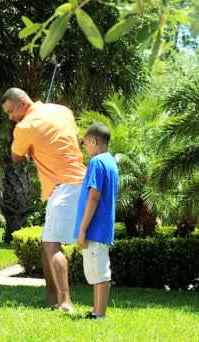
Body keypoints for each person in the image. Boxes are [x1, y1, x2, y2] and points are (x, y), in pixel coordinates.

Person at [2, 88, 86, 313]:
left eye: (10, 112)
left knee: (51, 244)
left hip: (64, 187)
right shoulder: (62, 110)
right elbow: (74, 141)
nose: (11, 118)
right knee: (47, 243)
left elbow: (17, 158)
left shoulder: (24, 127)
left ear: (22, 104)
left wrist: (29, 146)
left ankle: (65, 302)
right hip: (81, 183)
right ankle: (51, 298)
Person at [75, 122, 119, 320]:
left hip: (95, 228)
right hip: (104, 228)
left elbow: (94, 196)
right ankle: (96, 310)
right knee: (97, 269)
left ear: (94, 141)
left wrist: (82, 229)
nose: (85, 149)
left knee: (99, 271)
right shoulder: (110, 162)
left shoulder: (96, 162)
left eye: (85, 144)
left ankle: (99, 313)